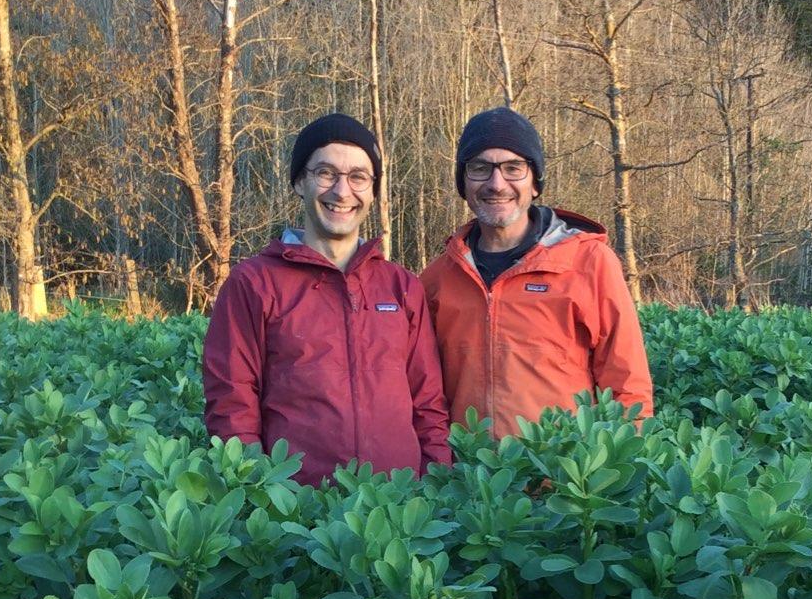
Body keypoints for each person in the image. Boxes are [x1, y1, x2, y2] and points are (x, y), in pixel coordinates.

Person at [203, 113, 452, 485]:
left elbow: (428, 404)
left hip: (398, 505)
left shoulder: (401, 286)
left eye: (358, 177)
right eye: (325, 173)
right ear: (299, 182)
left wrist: (435, 487)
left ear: (373, 190)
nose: (342, 191)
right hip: (298, 508)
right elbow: (231, 405)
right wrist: (258, 494)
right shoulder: (253, 284)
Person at [420, 108, 653, 438]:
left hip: (563, 466)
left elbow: (627, 385)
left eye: (513, 168)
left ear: (535, 182)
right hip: (468, 468)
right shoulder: (437, 278)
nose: (496, 184)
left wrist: (623, 458)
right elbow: (425, 393)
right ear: (464, 182)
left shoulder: (589, 262)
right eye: (480, 168)